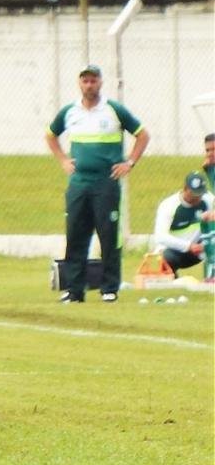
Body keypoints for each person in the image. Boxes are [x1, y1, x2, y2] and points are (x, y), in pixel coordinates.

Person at [46, 64, 150, 303]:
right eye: (85, 81)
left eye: (93, 81)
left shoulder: (113, 110)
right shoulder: (70, 112)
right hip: (79, 183)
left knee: (108, 235)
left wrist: (130, 162)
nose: (89, 85)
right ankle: (74, 290)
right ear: (79, 84)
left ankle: (109, 287)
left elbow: (142, 134)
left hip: (106, 182)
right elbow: (51, 134)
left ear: (100, 83)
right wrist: (63, 159)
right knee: (75, 234)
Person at [152, 171, 215, 276]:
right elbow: (160, 236)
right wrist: (189, 246)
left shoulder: (207, 199)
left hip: (200, 249)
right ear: (185, 189)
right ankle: (171, 278)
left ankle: (211, 278)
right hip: (175, 250)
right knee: (167, 257)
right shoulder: (169, 205)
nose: (197, 198)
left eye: (200, 194)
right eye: (194, 194)